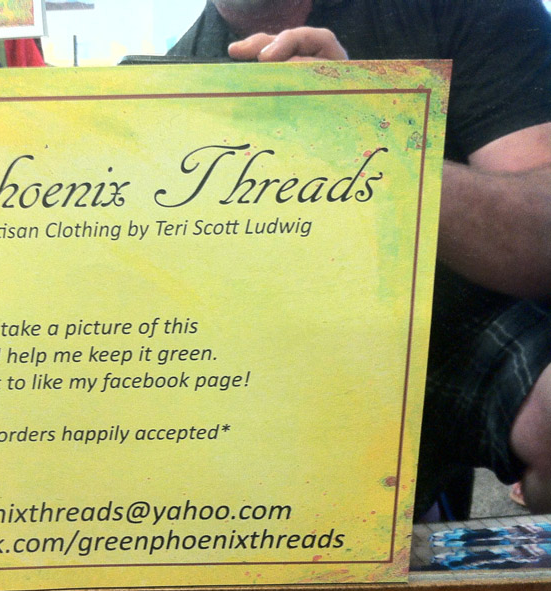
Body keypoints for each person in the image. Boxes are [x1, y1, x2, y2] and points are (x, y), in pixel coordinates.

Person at [169, 0, 551, 516]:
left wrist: (371, 146)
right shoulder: (169, 76)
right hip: (278, 356)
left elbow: (541, 236)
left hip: (456, 317)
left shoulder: (468, 10)